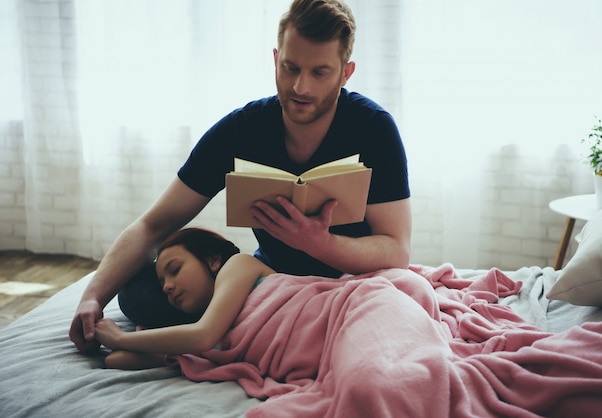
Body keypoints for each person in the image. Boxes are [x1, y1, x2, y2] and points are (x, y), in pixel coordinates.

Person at [70, 0, 411, 353]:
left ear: (346, 73)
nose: (300, 87)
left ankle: (187, 337)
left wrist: (320, 244)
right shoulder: (241, 129)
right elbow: (153, 226)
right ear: (275, 59)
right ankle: (194, 335)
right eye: (290, 68)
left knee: (387, 321)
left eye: (319, 73)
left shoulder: (374, 128)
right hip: (272, 283)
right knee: (134, 291)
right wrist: (92, 298)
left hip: (355, 285)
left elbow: (396, 249)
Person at [95, 227, 276, 370]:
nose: (167, 287)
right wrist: (147, 339)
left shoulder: (240, 264)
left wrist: (118, 338)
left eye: (175, 270)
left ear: (213, 260)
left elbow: (203, 335)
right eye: (162, 283)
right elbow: (115, 360)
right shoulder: (216, 337)